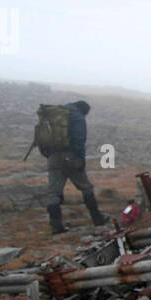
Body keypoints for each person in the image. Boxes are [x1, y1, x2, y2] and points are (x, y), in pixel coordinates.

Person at [46, 100, 108, 234]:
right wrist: (80, 160)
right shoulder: (77, 117)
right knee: (86, 187)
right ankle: (98, 219)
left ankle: (56, 227)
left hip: (53, 157)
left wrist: (50, 156)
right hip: (70, 158)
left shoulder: (57, 112)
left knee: (53, 193)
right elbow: (79, 140)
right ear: (84, 111)